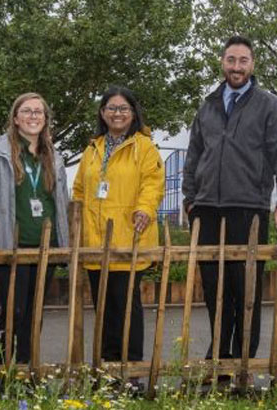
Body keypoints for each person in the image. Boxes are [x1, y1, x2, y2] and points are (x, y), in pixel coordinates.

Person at [182, 35, 277, 371]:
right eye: (231, 60)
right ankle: (218, 356)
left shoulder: (268, 105)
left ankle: (242, 361)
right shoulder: (208, 105)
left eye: (243, 61)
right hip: (206, 209)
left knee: (245, 292)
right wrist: (190, 199)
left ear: (252, 64)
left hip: (248, 208)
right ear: (222, 62)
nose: (236, 67)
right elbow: (194, 155)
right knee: (214, 289)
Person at [71, 86, 165, 363]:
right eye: (111, 108)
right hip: (95, 242)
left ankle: (131, 367)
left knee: (126, 307)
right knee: (104, 308)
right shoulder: (92, 148)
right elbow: (78, 189)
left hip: (128, 238)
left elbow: (153, 184)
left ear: (133, 113)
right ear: (102, 113)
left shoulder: (145, 147)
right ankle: (107, 367)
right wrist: (76, 220)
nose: (117, 113)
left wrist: (145, 209)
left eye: (123, 108)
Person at [0, 92, 70, 364]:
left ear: (45, 119)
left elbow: (60, 199)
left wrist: (65, 239)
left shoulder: (54, 155)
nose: (33, 116)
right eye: (26, 111)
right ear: (16, 119)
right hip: (10, 243)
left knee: (34, 311)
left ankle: (25, 370)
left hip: (45, 246)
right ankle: (6, 370)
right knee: (14, 310)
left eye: (38, 112)